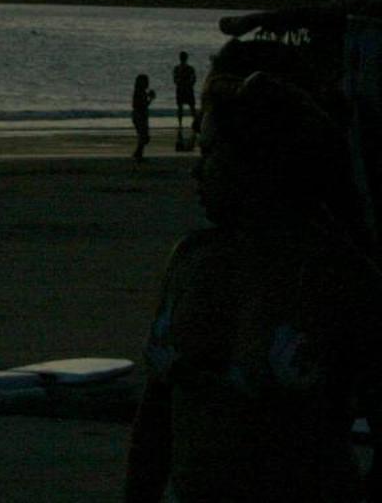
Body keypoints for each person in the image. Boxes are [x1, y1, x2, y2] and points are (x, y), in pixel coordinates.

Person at [124, 71, 382, 502]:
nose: (197, 171)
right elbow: (157, 415)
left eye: (210, 152)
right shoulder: (191, 261)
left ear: (258, 159)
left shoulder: (340, 278)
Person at [173, 52, 200, 151]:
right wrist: (189, 84)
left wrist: (183, 83)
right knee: (190, 107)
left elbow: (175, 80)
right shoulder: (189, 68)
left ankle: (181, 123)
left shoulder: (178, 68)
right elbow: (193, 79)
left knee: (182, 107)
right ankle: (194, 122)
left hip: (182, 89)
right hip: (187, 89)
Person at [132, 73, 156, 161]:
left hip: (140, 114)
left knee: (143, 136)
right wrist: (150, 98)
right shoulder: (140, 92)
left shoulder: (139, 92)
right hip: (140, 115)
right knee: (143, 136)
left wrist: (149, 98)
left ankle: (139, 153)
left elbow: (143, 104)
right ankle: (138, 153)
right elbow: (142, 104)